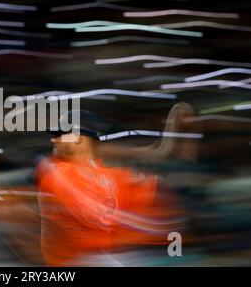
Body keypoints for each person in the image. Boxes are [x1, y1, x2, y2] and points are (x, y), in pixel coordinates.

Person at [36, 107, 192, 266]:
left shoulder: (114, 176)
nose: (54, 140)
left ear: (77, 138)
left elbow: (162, 185)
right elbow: (95, 214)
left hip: (102, 258)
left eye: (60, 135)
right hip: (78, 261)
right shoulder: (56, 170)